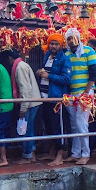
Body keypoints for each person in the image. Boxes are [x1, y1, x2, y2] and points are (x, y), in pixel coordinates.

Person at [0, 49, 42, 163]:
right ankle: (30, 154)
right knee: (29, 128)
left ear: (9, 58)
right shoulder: (21, 65)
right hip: (32, 101)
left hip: (29, 103)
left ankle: (27, 155)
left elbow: (25, 89)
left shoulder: (19, 67)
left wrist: (23, 108)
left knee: (26, 129)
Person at [64, 28, 96, 165]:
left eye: (73, 38)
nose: (71, 41)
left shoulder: (89, 51)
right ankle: (76, 153)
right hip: (72, 94)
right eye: (69, 39)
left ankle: (85, 153)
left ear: (78, 38)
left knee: (81, 122)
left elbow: (94, 73)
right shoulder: (66, 55)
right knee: (74, 124)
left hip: (85, 92)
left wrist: (86, 92)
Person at [36, 33, 71, 166]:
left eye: (56, 44)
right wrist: (41, 72)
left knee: (58, 127)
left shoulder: (64, 59)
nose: (54, 46)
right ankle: (51, 153)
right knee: (49, 126)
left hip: (57, 99)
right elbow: (46, 73)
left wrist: (48, 76)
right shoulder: (47, 56)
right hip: (45, 98)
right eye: (52, 43)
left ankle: (60, 156)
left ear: (61, 45)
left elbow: (66, 79)